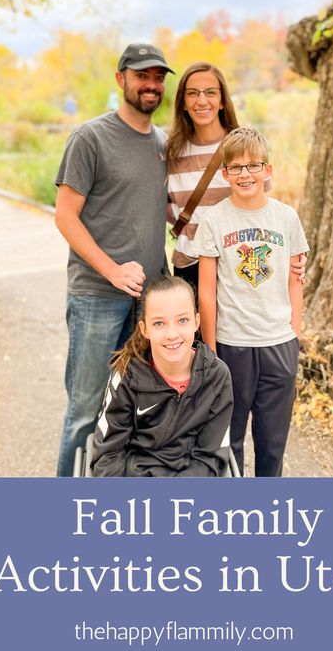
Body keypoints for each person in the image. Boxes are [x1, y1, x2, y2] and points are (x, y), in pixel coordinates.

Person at [54, 43, 175, 477]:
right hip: (96, 298)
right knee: (86, 410)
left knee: (139, 410)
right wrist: (111, 270)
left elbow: (168, 212)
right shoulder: (90, 138)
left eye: (159, 78)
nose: (152, 85)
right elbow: (65, 217)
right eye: (143, 76)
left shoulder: (163, 143)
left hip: (148, 304)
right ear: (121, 78)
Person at [193, 127, 309, 477]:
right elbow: (207, 290)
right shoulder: (214, 220)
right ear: (225, 173)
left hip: (278, 344)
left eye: (253, 165)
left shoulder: (285, 217)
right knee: (230, 439)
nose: (245, 174)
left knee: (273, 442)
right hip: (232, 345)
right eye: (236, 168)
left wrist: (294, 334)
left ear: (267, 170)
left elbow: (295, 278)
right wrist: (211, 348)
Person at [166, 62, 305, 293]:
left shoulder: (242, 147)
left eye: (210, 92)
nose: (202, 101)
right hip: (190, 264)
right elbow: (168, 206)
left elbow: (263, 211)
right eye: (192, 93)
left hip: (238, 263)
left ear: (222, 101)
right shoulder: (171, 151)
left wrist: (291, 257)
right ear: (183, 103)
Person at [91, 275, 233, 477]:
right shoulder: (126, 376)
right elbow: (108, 455)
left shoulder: (217, 376)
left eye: (182, 320)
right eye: (159, 323)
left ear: (196, 322)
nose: (172, 334)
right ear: (144, 329)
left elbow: (210, 457)